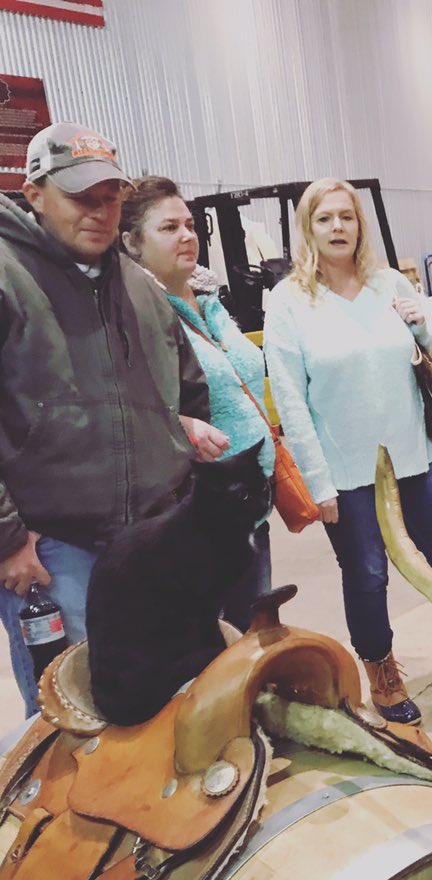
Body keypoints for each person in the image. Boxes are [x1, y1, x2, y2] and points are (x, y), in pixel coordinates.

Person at [262, 177, 432, 727]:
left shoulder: (386, 283)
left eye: (346, 217)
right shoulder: (289, 302)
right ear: (308, 229)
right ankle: (380, 669)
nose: (337, 228)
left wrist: (425, 324)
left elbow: (424, 346)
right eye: (325, 218)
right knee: (368, 574)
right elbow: (289, 398)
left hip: (414, 455)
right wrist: (318, 482)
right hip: (346, 469)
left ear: (360, 225)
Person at [0, 122, 224, 716]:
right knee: (70, 714)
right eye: (81, 197)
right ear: (34, 193)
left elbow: (188, 391)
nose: (100, 212)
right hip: (54, 549)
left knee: (168, 700)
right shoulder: (6, 275)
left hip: (152, 539)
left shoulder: (139, 286)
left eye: (110, 196)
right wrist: (6, 539)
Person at [119, 176, 275, 631]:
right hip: (195, 513)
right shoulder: (136, 311)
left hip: (248, 502)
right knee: (206, 642)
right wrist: (180, 424)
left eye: (190, 224)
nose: (187, 236)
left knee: (252, 634)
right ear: (132, 243)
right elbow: (133, 405)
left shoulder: (210, 299)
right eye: (169, 228)